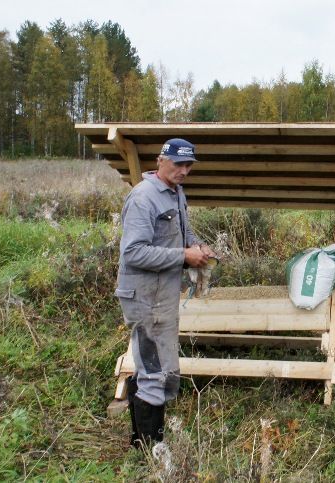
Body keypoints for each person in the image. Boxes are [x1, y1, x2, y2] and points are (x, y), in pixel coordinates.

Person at [114, 138, 216, 449]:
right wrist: (183, 256)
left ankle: (142, 441)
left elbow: (182, 233)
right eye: (178, 164)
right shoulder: (143, 198)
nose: (184, 171)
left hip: (162, 296)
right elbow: (133, 252)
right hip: (145, 298)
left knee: (157, 367)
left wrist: (197, 245)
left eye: (189, 166)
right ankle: (150, 450)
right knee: (157, 371)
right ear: (161, 160)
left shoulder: (176, 192)